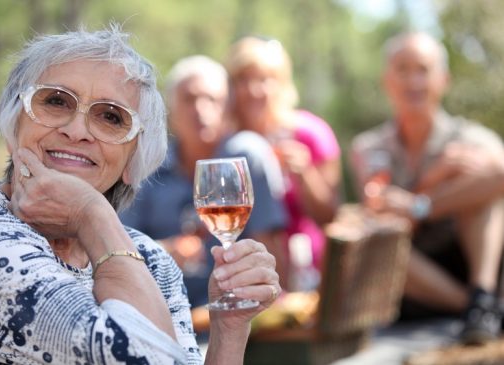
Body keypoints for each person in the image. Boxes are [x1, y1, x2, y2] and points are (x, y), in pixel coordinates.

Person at [0, 25, 281, 365]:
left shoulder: (153, 263)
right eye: (55, 101)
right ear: (12, 127)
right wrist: (90, 211)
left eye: (110, 117)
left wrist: (228, 332)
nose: (77, 130)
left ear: (134, 160)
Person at [349, 31, 504, 344]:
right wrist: (435, 180)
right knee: (373, 235)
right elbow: (381, 215)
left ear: (443, 79)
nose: (412, 82)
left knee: (486, 197)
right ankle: (478, 307)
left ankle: (483, 295)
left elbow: (500, 177)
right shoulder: (367, 148)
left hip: (470, 257)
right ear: (386, 80)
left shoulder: (473, 138)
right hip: (409, 277)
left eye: (422, 70)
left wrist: (422, 203)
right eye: (402, 69)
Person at [120, 55, 287, 307]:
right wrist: (163, 253)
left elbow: (272, 252)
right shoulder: (145, 167)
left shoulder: (247, 157)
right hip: (164, 312)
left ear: (228, 107)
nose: (200, 109)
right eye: (189, 99)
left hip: (242, 313)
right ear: (171, 109)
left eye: (212, 99)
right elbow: (118, 247)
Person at [225, 36, 342, 291]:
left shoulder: (310, 133)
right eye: (244, 79)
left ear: (282, 83)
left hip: (306, 270)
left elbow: (331, 215)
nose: (254, 90)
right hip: (239, 270)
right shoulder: (225, 142)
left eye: (264, 79)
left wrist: (304, 174)